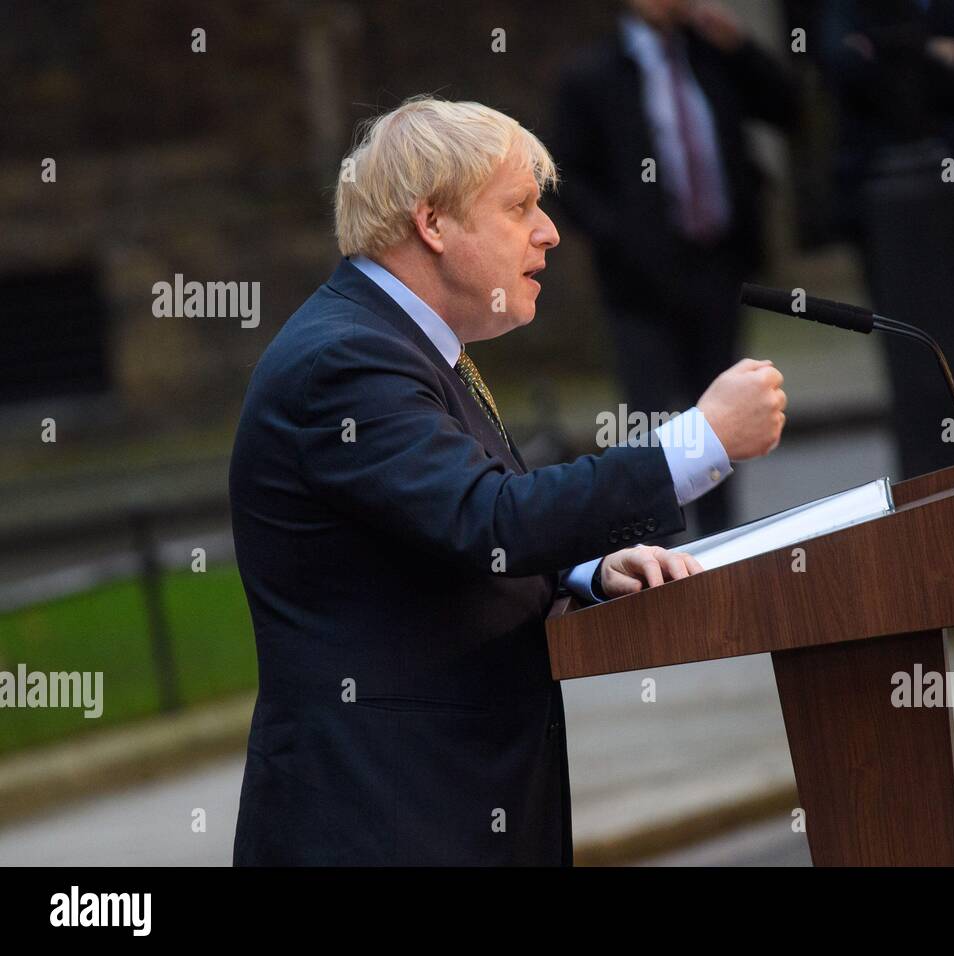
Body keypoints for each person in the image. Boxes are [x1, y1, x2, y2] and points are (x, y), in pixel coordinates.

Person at [228, 97, 787, 865]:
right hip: (384, 822)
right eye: (519, 206)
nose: (550, 231)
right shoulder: (346, 361)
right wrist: (698, 441)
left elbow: (440, 532)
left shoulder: (401, 341)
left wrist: (583, 571)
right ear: (433, 224)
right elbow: (485, 519)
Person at [550, 0, 798, 534]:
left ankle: (722, 545)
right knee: (653, 421)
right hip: (639, 281)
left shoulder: (716, 56)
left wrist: (743, 47)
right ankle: (660, 548)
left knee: (724, 413)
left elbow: (790, 110)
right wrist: (622, 238)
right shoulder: (593, 73)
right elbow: (568, 179)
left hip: (719, 265)